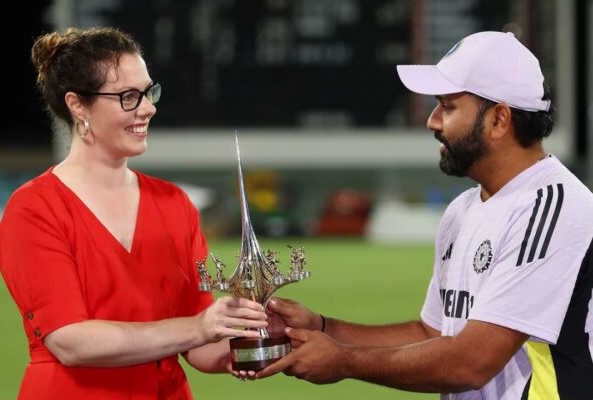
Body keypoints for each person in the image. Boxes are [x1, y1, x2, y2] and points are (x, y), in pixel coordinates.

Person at [254, 31, 593, 399]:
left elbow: (472, 362)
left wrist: (344, 362)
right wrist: (322, 327)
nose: (432, 122)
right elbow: (432, 335)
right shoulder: (463, 210)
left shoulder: (555, 209)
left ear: (499, 120)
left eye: (447, 107)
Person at [0, 27, 268, 400]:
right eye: (128, 97)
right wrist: (198, 327)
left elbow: (199, 344)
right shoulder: (35, 209)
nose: (148, 107)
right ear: (77, 105)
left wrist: (251, 342)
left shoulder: (175, 204)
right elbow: (70, 342)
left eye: (148, 92)